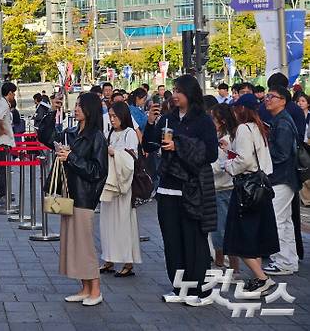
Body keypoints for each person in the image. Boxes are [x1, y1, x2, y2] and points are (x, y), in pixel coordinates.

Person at [143, 75, 218, 305]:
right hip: (167, 188)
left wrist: (179, 145)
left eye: (180, 91)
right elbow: (148, 145)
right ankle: (180, 288)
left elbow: (211, 153)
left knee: (194, 240)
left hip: (191, 189)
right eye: (174, 90)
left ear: (191, 93)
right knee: (172, 241)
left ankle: (201, 291)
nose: (175, 95)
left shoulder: (203, 121)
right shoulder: (168, 118)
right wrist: (151, 123)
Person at [38, 93, 108, 306]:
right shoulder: (71, 133)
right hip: (69, 194)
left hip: (85, 196)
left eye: (80, 105)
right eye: (75, 105)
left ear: (89, 110)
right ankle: (85, 288)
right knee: (73, 244)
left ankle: (95, 290)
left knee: (84, 244)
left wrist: (72, 158)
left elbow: (98, 171)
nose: (76, 108)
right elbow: (45, 136)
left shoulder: (96, 136)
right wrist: (52, 110)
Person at [222, 93, 279, 293]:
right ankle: (260, 277)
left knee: (239, 237)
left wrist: (228, 165)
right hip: (260, 189)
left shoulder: (244, 129)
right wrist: (230, 147)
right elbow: (253, 156)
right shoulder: (259, 127)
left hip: (246, 190)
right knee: (252, 234)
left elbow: (245, 160)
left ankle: (262, 278)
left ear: (242, 110)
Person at [99, 101, 141, 277]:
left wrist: (114, 153)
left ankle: (127, 261)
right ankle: (108, 257)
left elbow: (131, 159)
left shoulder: (130, 133)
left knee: (124, 223)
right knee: (107, 223)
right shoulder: (110, 133)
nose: (112, 119)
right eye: (110, 116)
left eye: (115, 116)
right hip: (110, 183)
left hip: (123, 185)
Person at [262, 85, 300, 275]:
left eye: (272, 96)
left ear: (283, 100)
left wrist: (262, 150)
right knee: (284, 221)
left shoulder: (282, 122)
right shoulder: (279, 120)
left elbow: (281, 154)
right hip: (284, 178)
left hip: (282, 177)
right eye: (267, 96)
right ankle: (287, 260)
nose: (267, 99)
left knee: (277, 220)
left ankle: (283, 261)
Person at [208, 103, 240, 273]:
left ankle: (230, 268)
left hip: (223, 189)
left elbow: (220, 165)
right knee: (219, 230)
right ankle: (223, 265)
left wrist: (203, 168)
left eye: (212, 118)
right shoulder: (220, 137)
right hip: (218, 189)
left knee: (222, 231)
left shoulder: (225, 140)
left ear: (220, 121)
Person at [0, 82, 18, 208]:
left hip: (0, 140)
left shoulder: (0, 102)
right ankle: (2, 194)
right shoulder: (4, 104)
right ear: (10, 93)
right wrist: (2, 129)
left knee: (3, 169)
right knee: (3, 169)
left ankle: (4, 191)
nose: (14, 95)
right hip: (3, 141)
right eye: (13, 93)